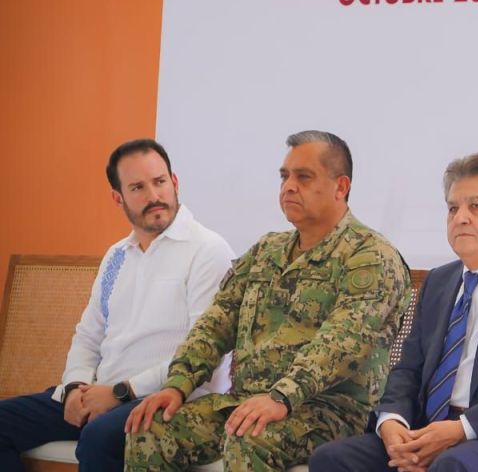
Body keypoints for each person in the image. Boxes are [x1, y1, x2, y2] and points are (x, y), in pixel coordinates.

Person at [124, 130, 411, 471]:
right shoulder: (266, 250)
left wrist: (282, 396)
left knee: (250, 437)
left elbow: (342, 343)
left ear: (341, 186)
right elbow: (215, 323)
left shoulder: (370, 256)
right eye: (284, 176)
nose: (289, 187)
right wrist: (178, 384)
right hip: (248, 402)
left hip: (329, 413)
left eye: (303, 177)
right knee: (151, 427)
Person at [309, 153, 478, 472]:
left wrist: (461, 429)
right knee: (332, 459)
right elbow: (408, 368)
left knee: (452, 465)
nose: (461, 217)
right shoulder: (438, 282)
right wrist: (392, 421)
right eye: (452, 208)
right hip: (428, 430)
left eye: (476, 206)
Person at [0, 138, 234, 472]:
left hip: (173, 397)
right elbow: (88, 335)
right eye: (138, 187)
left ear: (174, 182)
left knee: (99, 437)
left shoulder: (207, 250)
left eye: (160, 181)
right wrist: (74, 388)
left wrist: (121, 392)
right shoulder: (116, 255)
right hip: (102, 393)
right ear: (118, 197)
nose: (154, 196)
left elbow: (205, 355)